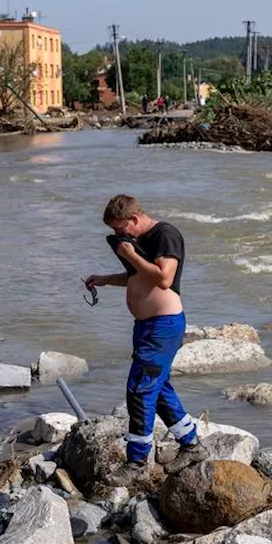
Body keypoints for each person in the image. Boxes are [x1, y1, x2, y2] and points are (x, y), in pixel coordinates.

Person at [85, 195, 208, 484]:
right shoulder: (137, 245)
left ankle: (137, 461)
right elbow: (137, 277)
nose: (119, 236)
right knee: (159, 388)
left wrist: (130, 254)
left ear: (135, 219)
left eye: (121, 229)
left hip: (163, 326)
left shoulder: (166, 235)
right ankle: (191, 445)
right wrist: (105, 278)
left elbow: (163, 278)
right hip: (147, 327)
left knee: (139, 389)